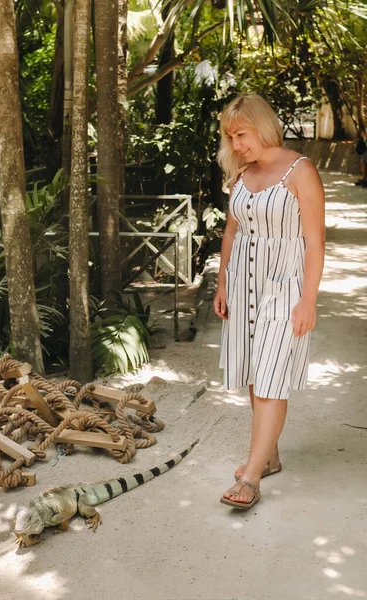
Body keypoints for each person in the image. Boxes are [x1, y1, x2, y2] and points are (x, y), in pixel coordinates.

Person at [213, 94, 325, 510]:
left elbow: (314, 240)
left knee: (273, 372)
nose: (236, 144)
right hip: (243, 283)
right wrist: (223, 284)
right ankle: (271, 455)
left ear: (261, 126)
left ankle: (253, 475)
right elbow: (231, 233)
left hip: (285, 285)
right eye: (230, 137)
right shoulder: (242, 174)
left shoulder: (301, 171)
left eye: (240, 134)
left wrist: (308, 299)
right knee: (255, 373)